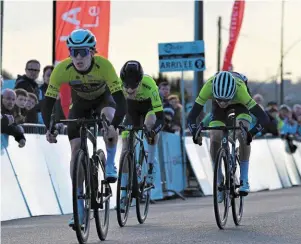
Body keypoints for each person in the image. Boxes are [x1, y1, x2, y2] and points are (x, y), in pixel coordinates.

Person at [41, 29, 126, 227]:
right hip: (79, 105)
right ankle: (78, 207)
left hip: (104, 100)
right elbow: (47, 103)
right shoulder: (62, 69)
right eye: (73, 52)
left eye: (83, 52)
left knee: (108, 119)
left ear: (92, 52)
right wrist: (49, 127)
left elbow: (121, 102)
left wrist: (113, 126)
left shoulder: (104, 66)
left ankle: (111, 162)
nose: (78, 57)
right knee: (76, 149)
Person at [187, 71, 269, 201]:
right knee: (215, 136)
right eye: (219, 100)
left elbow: (264, 118)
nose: (223, 103)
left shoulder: (241, 91)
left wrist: (251, 134)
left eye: (226, 100)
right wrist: (195, 132)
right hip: (219, 111)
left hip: (240, 105)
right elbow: (191, 117)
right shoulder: (208, 87)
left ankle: (244, 179)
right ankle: (219, 180)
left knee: (242, 133)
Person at [119, 60, 164, 209]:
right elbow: (115, 108)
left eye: (133, 87)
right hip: (131, 111)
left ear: (140, 81)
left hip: (148, 108)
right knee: (125, 147)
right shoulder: (118, 84)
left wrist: (153, 131)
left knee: (150, 124)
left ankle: (150, 164)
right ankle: (123, 192)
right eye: (127, 87)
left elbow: (161, 118)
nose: (130, 90)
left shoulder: (149, 84)